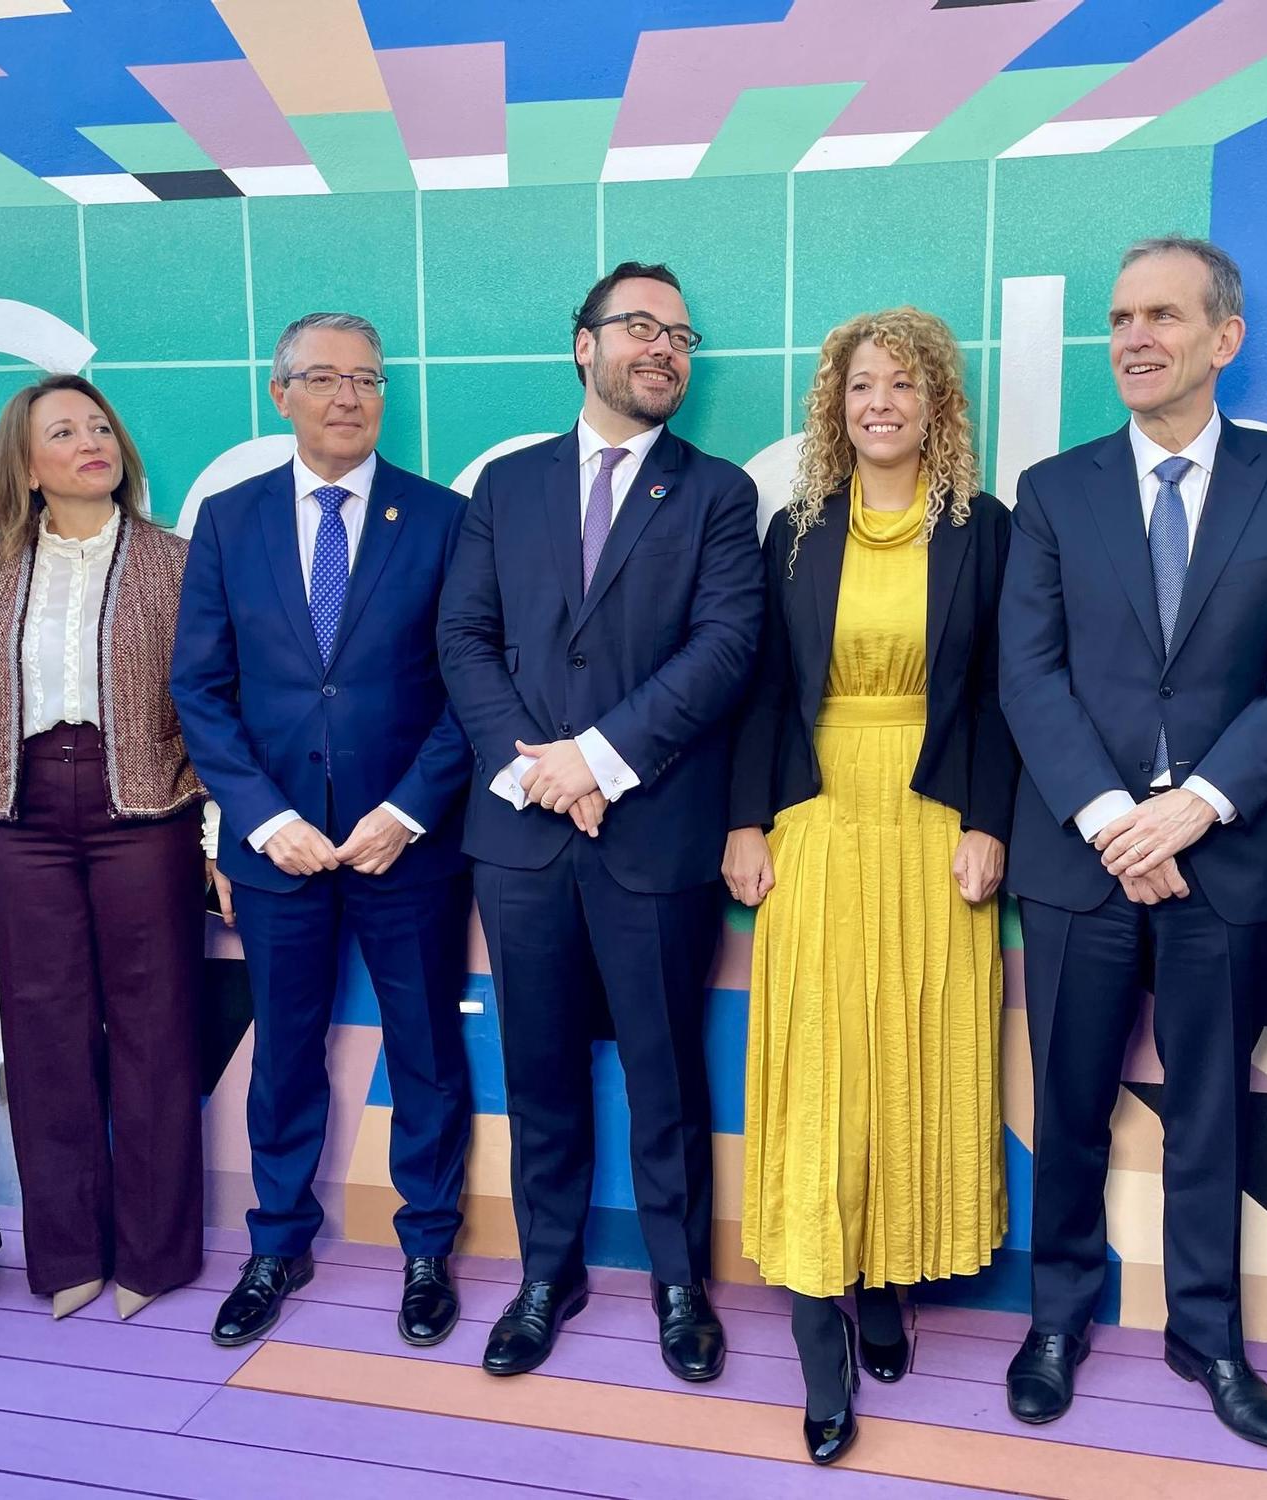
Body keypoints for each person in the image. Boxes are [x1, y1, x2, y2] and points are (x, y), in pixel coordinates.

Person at [998, 238, 1267, 1449]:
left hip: (1225, 856)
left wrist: (1194, 806)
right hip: (1079, 861)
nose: (1134, 337)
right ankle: (1055, 1321)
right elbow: (1026, 675)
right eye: (1117, 318)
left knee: (1210, 1110)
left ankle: (1206, 1335)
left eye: (1161, 315)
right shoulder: (1050, 490)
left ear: (1223, 338)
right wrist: (1113, 821)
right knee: (1071, 1100)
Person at [438, 260, 763, 1381]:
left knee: (667, 1075)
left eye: (681, 335)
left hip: (653, 834)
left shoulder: (719, 494)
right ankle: (548, 1274)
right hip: (525, 838)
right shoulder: (506, 485)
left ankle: (680, 1285)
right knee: (536, 1071)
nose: (665, 348)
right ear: (583, 345)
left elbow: (721, 650)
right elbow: (463, 643)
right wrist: (540, 773)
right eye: (641, 327)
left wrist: (600, 758)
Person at [724, 307, 1014, 1463]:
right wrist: (745, 820)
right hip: (813, 816)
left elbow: (999, 691)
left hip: (935, 821)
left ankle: (885, 1278)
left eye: (901, 384)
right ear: (833, 408)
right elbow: (756, 693)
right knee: (817, 1063)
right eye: (857, 386)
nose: (877, 402)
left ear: (938, 403)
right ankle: (815, 1321)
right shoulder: (792, 533)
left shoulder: (983, 531)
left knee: (906, 1056)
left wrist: (991, 823)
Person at [171, 312, 476, 1350]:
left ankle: (427, 1245)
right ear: (280, 393)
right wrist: (263, 821)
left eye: (367, 378)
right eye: (323, 378)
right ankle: (275, 1243)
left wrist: (405, 812)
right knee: (285, 1052)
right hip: (278, 852)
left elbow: (470, 689)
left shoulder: (442, 520)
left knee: (429, 1051)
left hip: (409, 845)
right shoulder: (230, 520)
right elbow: (200, 693)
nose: (348, 396)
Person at [0, 374, 220, 1322]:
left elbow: (209, 700)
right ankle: (67, 1253)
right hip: (23, 815)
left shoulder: (180, 560)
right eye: (64, 431)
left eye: (100, 425)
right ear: (27, 467)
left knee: (155, 1031)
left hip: (145, 809)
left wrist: (214, 830)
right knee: (43, 1035)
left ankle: (155, 1258)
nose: (90, 442)